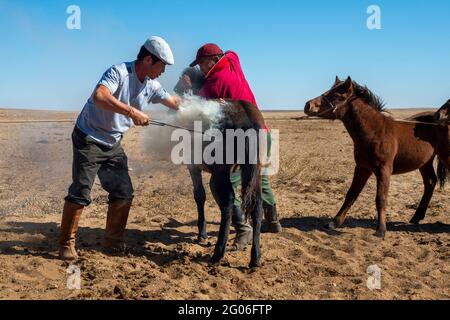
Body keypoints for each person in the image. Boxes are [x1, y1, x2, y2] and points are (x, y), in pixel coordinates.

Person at [59, 36, 180, 260]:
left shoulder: (152, 85)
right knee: (81, 191)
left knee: (123, 192)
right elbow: (99, 96)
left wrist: (205, 106)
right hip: (89, 138)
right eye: (162, 65)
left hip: (113, 143)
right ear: (148, 60)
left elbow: (173, 102)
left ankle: (112, 243)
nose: (163, 71)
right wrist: (132, 112)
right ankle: (66, 243)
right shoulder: (119, 72)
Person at [189, 43, 282, 241]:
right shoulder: (232, 61)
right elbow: (232, 52)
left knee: (226, 182)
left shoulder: (214, 83)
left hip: (242, 137)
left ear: (214, 60)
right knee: (259, 178)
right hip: (262, 132)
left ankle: (242, 228)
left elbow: (197, 106)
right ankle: (273, 221)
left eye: (203, 63)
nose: (201, 68)